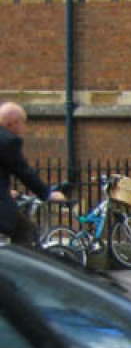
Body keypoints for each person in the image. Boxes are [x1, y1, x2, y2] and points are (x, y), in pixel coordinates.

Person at [0, 102, 67, 247]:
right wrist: (47, 193)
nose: (24, 128)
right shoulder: (7, 141)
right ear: (13, 122)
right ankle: (19, 269)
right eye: (23, 123)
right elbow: (23, 171)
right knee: (25, 230)